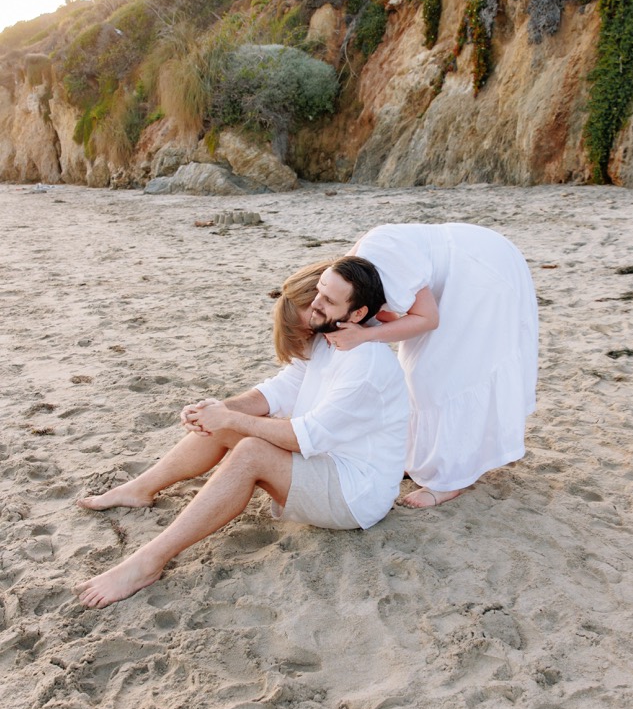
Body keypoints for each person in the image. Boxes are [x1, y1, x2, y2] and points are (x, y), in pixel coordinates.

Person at [75, 258, 409, 609]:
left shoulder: (365, 365)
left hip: (355, 493)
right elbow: (276, 392)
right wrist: (216, 410)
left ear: (357, 314)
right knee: (228, 423)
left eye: (327, 300)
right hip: (323, 463)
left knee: (250, 451)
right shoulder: (329, 338)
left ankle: (147, 563)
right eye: (319, 292)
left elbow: (303, 437)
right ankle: (140, 489)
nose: (315, 303)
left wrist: (230, 420)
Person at [321, 223, 538, 509]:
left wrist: (365, 335)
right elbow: (396, 314)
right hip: (457, 271)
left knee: (443, 374)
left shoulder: (375, 261)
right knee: (415, 370)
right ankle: (419, 460)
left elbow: (427, 319)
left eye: (322, 302)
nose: (319, 302)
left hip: (479, 271)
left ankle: (447, 480)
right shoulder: (347, 278)